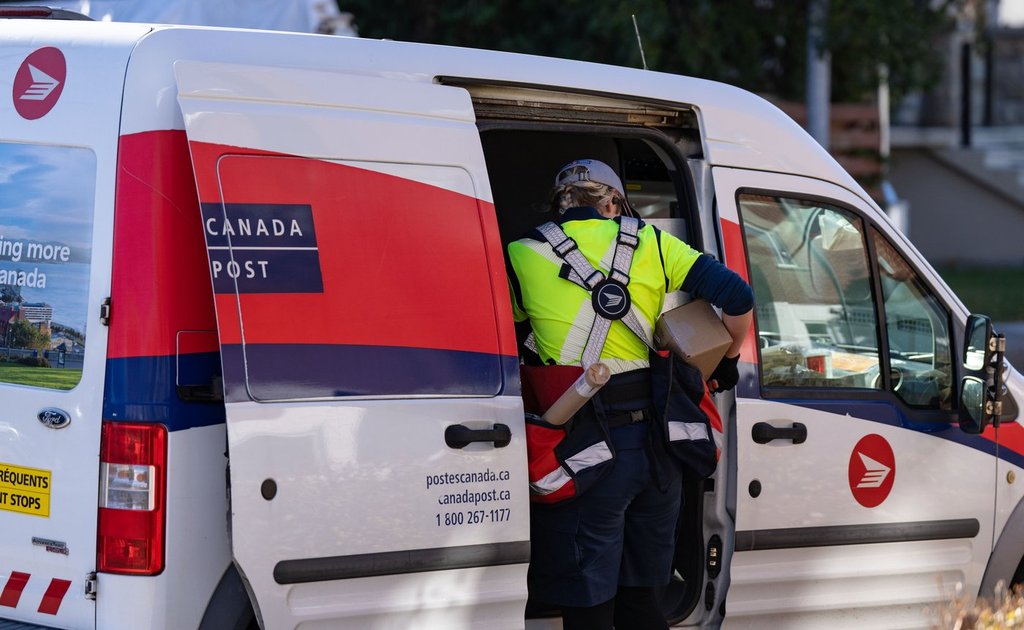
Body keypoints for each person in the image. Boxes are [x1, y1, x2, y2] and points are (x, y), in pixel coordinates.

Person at [507, 159, 753, 629]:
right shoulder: (653, 241)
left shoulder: (520, 253)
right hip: (659, 447)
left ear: (561, 202)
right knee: (643, 602)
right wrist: (725, 361)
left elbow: (514, 336)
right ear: (613, 202)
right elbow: (738, 298)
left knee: (589, 605)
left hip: (584, 445)